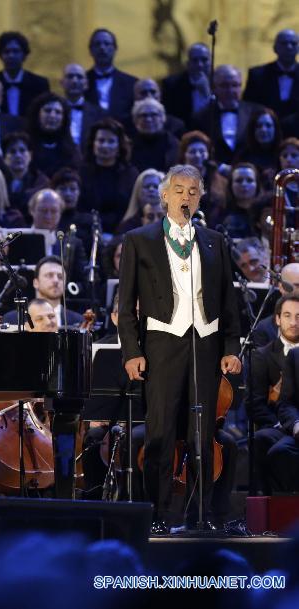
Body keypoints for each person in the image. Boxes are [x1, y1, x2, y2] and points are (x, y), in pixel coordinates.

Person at [118, 164, 242, 534]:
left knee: (201, 434)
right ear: (165, 195)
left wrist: (231, 346)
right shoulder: (139, 239)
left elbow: (228, 301)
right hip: (161, 343)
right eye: (179, 189)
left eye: (193, 191)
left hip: (205, 343)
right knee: (160, 433)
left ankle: (199, 515)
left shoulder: (214, 240)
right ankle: (156, 514)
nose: (186, 196)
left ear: (200, 196)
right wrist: (132, 351)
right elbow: (125, 305)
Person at [250, 294, 299, 494]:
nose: (294, 322)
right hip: (277, 423)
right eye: (288, 315)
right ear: (277, 319)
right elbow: (255, 403)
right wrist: (287, 424)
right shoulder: (262, 355)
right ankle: (264, 504)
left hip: (292, 420)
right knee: (262, 439)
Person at [190, 65, 263, 165]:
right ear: (214, 88)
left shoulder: (257, 113)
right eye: (224, 85)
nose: (230, 91)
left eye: (235, 85)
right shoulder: (201, 117)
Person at [79, 118, 139, 230]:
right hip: (86, 231)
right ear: (93, 143)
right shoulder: (81, 172)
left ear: (119, 145)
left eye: (111, 141)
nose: (105, 146)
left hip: (122, 233)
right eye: (101, 141)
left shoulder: (130, 174)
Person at [4, 255, 84, 326]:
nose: (56, 280)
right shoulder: (13, 320)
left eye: (60, 276)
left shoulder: (79, 321)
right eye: (49, 275)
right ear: (36, 283)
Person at [28, 188, 87, 282]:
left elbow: (82, 282)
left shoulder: (73, 244)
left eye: (54, 211)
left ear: (60, 213)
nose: (48, 216)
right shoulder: (19, 239)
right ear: (32, 211)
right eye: (43, 210)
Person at [0, 32, 50, 118]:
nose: (11, 55)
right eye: (6, 52)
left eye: (16, 51)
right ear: (0, 55)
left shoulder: (40, 84)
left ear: (24, 55)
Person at [85, 29, 138, 123]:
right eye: (97, 44)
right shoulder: (82, 81)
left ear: (115, 49)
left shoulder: (132, 83)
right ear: (90, 50)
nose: (102, 48)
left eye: (107, 44)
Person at [244, 29, 299, 120]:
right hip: (265, 129)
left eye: (293, 43)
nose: (289, 47)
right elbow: (248, 107)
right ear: (275, 48)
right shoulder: (257, 75)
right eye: (283, 43)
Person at [26, 91, 82, 178]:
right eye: (47, 111)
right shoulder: (25, 146)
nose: (52, 116)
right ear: (37, 114)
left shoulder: (73, 151)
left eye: (58, 112)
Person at [161, 43, 212, 124]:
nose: (200, 64)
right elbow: (168, 117)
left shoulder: (220, 82)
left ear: (211, 62)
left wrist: (207, 94)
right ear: (187, 63)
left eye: (204, 60)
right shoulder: (171, 85)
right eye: (195, 60)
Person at [60, 63, 106, 148]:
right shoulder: (53, 111)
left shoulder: (100, 114)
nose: (74, 81)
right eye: (70, 76)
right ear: (61, 82)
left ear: (86, 84)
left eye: (79, 77)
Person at [2, 131, 50, 213]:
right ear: (4, 158)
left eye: (22, 150)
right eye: (12, 152)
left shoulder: (41, 182)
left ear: (30, 155)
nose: (18, 155)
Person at [129, 98, 179, 172]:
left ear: (163, 118)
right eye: (143, 115)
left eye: (154, 115)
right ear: (135, 120)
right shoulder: (128, 146)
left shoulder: (174, 145)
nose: (148, 119)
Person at [116, 168, 165, 234]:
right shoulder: (126, 227)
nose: (151, 189)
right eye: (147, 186)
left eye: (156, 186)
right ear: (138, 192)